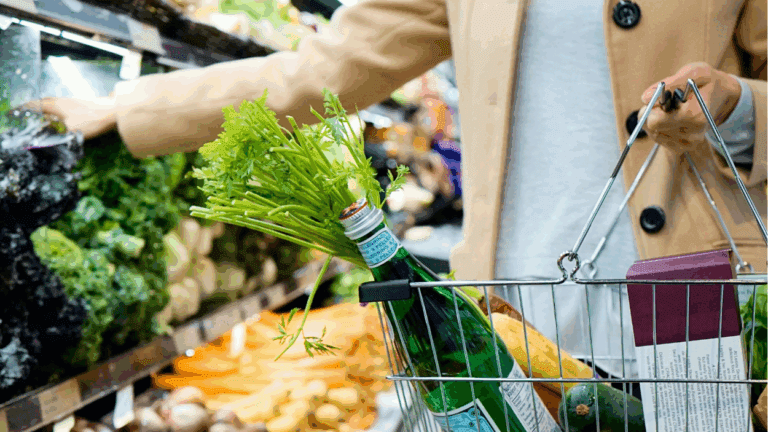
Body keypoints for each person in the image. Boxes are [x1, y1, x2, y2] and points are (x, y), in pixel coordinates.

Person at [32, 0, 766, 379]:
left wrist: (736, 110)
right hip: (517, 316)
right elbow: (316, 75)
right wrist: (131, 111)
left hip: (700, 307)